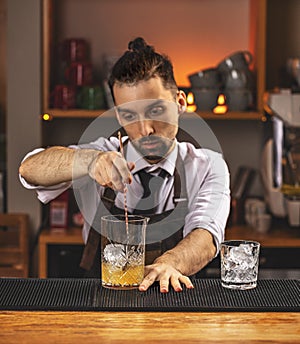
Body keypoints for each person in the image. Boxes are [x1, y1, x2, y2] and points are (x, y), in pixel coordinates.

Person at [19, 37, 230, 293]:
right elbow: (29, 169)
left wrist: (168, 263)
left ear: (181, 103)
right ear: (118, 115)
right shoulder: (102, 153)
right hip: (99, 303)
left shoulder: (207, 165)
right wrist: (88, 161)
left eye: (156, 111)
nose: (145, 130)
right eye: (130, 116)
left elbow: (206, 237)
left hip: (174, 300)